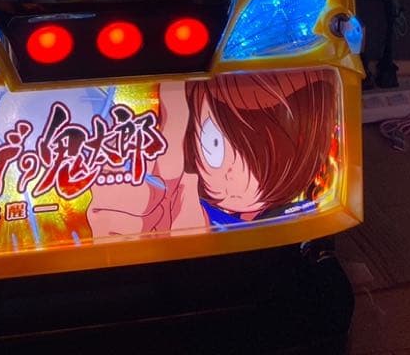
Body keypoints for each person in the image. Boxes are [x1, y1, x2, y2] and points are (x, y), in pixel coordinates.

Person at [87, 71, 337, 236]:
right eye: (213, 144)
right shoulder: (187, 206)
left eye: (261, 157)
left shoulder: (303, 209)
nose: (231, 174)